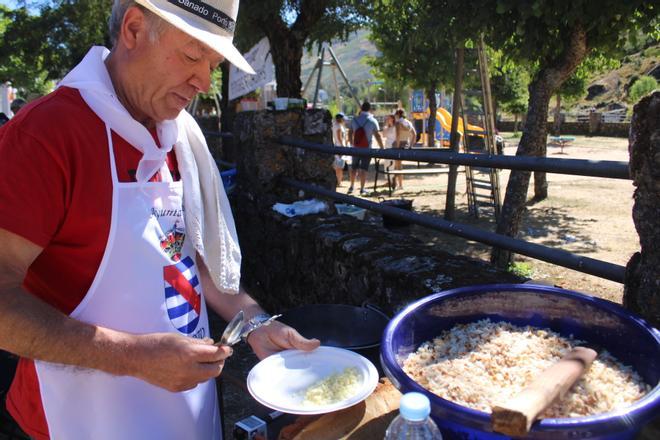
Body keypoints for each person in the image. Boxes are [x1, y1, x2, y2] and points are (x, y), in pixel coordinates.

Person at [0, 1, 319, 439]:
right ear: (133, 28)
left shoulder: (176, 132)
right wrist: (132, 357)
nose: (204, 81)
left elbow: (186, 256)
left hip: (188, 416)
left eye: (212, 63)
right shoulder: (47, 134)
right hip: (81, 422)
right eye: (192, 56)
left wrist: (255, 322)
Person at [347, 101, 384, 195]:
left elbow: (350, 132)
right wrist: (382, 148)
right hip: (367, 149)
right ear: (370, 109)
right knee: (364, 169)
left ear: (361, 109)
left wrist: (352, 143)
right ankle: (362, 188)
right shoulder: (372, 120)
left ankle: (351, 187)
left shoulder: (354, 120)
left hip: (355, 148)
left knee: (354, 167)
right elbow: (377, 135)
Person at [393, 109, 417, 191]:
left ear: (397, 115)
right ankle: (399, 184)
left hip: (398, 144)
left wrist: (397, 146)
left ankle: (397, 184)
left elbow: (398, 135)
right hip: (406, 144)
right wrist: (411, 145)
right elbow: (414, 134)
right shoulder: (409, 122)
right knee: (399, 166)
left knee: (397, 166)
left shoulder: (398, 123)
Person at [332, 112, 348, 187]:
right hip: (339, 146)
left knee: (337, 166)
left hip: (336, 146)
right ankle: (339, 182)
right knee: (339, 167)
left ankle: (337, 181)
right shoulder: (339, 127)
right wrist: (343, 147)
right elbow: (340, 138)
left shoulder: (334, 126)